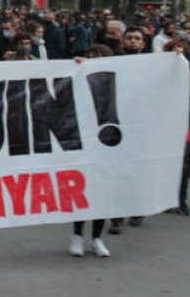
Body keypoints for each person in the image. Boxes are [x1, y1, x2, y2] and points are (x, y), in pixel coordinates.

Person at [68, 44, 112, 257]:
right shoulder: (78, 76)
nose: (92, 60)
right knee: (81, 191)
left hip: (106, 142)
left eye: (99, 57)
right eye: (90, 56)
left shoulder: (115, 79)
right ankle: (77, 235)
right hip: (83, 140)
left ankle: (96, 238)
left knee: (101, 193)